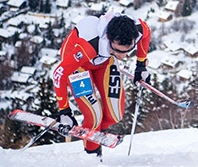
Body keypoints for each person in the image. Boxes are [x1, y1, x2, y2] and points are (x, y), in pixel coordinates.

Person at [52, 11, 152, 156]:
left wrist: (141, 65)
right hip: (78, 64)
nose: (123, 57)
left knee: (114, 115)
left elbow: (146, 32)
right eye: (119, 51)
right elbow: (58, 74)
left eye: (128, 51)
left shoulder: (136, 29)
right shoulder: (89, 45)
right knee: (94, 115)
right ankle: (92, 154)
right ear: (108, 38)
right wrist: (64, 111)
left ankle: (93, 132)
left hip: (104, 61)